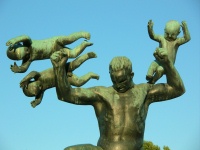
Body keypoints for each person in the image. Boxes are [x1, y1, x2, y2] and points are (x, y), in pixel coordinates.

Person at [50, 47, 185, 150]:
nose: (118, 85)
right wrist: (58, 68)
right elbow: (65, 95)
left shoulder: (144, 91)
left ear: (131, 75)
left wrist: (167, 64)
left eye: (122, 81)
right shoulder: (102, 94)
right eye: (114, 81)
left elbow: (177, 89)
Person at [20, 52, 99, 108]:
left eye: (37, 86)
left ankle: (88, 55)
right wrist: (37, 102)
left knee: (75, 64)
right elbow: (39, 98)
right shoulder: (41, 89)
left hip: (62, 68)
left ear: (32, 81)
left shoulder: (38, 76)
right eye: (38, 90)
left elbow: (33, 73)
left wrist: (26, 79)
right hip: (65, 79)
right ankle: (90, 75)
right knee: (78, 82)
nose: (40, 87)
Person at [6, 31, 92, 73]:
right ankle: (84, 44)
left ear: (20, 45)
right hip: (57, 51)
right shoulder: (29, 59)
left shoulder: (28, 43)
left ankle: (82, 34)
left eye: (24, 50)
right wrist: (18, 69)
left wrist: (15, 39)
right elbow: (24, 68)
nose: (27, 53)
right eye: (23, 55)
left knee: (69, 39)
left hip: (55, 42)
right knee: (73, 54)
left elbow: (26, 37)